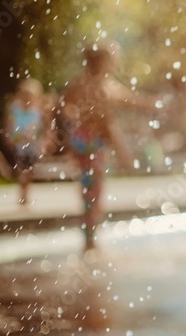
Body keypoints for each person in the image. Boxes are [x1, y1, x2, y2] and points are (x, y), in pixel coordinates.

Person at [61, 41, 157, 251]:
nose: (114, 63)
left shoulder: (83, 82)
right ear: (103, 62)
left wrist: (72, 130)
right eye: (111, 59)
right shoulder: (101, 87)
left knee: (89, 192)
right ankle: (90, 241)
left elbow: (64, 104)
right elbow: (108, 123)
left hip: (83, 140)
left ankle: (89, 238)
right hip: (91, 143)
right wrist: (123, 152)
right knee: (93, 192)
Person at [4, 79, 48, 204]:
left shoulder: (37, 111)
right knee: (23, 170)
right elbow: (9, 124)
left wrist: (44, 141)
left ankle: (25, 193)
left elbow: (43, 128)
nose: (26, 98)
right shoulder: (15, 109)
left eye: (29, 95)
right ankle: (23, 195)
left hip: (33, 146)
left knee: (29, 171)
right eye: (24, 95)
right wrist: (8, 137)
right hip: (19, 145)